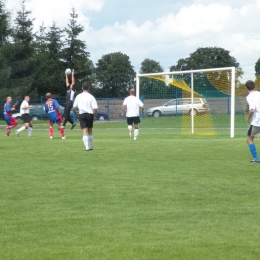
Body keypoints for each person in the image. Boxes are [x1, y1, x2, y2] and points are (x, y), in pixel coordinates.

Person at [72, 82, 98, 151]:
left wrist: (76, 114)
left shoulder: (78, 96)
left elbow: (74, 108)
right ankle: (90, 146)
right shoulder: (91, 96)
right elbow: (95, 108)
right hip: (90, 114)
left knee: (84, 131)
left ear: (82, 88)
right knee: (90, 130)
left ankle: (86, 147)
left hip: (82, 114)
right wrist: (94, 116)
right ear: (88, 88)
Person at [245, 80, 260, 163]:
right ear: (254, 86)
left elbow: (252, 110)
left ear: (246, 87)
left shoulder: (250, 97)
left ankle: (256, 159)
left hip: (257, 121)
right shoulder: (259, 93)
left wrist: (248, 119)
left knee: (249, 139)